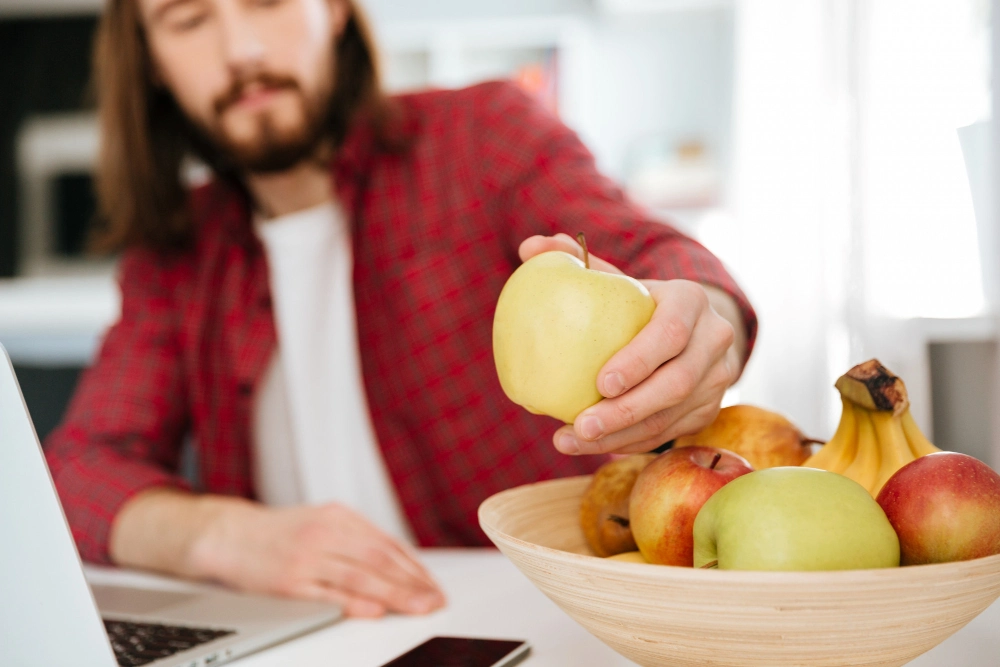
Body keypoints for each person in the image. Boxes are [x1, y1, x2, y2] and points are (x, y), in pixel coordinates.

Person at [44, 0, 757, 619]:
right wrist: (224, 536)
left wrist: (702, 325)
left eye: (266, 2)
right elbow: (79, 470)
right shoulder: (172, 258)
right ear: (152, 64)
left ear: (333, 7)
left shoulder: (484, 136)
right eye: (188, 19)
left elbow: (654, 255)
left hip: (537, 628)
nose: (242, 50)